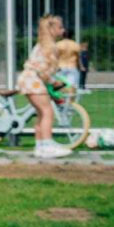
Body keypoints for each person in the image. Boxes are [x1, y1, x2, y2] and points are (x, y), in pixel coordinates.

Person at [17, 14, 74, 160]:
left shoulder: (41, 45)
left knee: (41, 114)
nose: (63, 30)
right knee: (48, 112)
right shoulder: (50, 47)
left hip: (28, 79)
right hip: (34, 80)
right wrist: (53, 82)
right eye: (60, 27)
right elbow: (43, 70)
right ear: (52, 29)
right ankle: (47, 145)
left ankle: (40, 146)